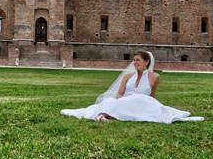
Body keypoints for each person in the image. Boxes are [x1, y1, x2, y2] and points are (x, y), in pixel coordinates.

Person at [61, 51, 203, 123]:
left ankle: (105, 115)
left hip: (142, 103)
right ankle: (103, 115)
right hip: (125, 102)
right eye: (134, 60)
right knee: (110, 101)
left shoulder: (155, 77)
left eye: (138, 60)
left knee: (140, 100)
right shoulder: (127, 76)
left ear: (146, 62)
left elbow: (152, 96)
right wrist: (123, 100)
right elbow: (119, 94)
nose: (134, 62)